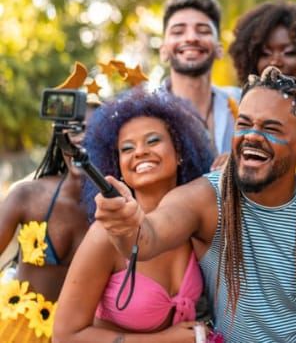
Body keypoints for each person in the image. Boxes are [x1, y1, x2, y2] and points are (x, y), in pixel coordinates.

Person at [94, 67, 296, 342]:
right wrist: (125, 223)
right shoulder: (207, 198)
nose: (252, 136)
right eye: (244, 124)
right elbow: (146, 238)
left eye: (270, 128)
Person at [53, 89, 217, 342]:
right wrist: (163, 340)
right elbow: (64, 336)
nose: (140, 152)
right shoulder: (106, 236)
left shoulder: (195, 226)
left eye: (152, 141)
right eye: (127, 148)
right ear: (118, 165)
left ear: (180, 152)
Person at [0, 100, 98, 342]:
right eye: (74, 129)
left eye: (95, 131)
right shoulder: (28, 195)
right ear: (60, 138)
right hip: (13, 328)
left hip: (77, 335)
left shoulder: (123, 208)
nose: (82, 138)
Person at [159, 0, 241, 170]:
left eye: (203, 31)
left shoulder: (243, 102)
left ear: (219, 49)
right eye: (178, 32)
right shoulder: (144, 111)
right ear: (163, 50)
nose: (191, 38)